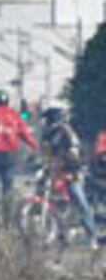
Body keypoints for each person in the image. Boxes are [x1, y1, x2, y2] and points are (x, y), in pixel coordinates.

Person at [40, 107, 98, 249]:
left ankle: (92, 237)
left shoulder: (67, 132)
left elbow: (74, 153)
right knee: (43, 192)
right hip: (54, 172)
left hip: (71, 172)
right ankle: (59, 233)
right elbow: (46, 154)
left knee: (80, 202)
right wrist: (46, 166)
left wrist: (70, 168)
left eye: (48, 119)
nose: (46, 122)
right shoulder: (47, 135)